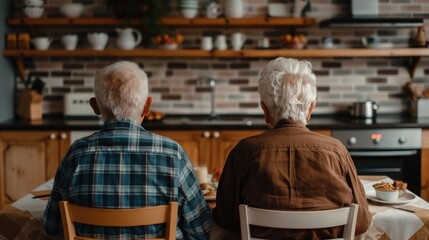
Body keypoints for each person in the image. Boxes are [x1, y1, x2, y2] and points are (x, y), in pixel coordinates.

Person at [43, 61, 212, 239]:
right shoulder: (173, 154)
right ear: (147, 106)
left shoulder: (76, 154)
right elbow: (201, 229)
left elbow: (50, 226)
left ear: (95, 106)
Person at [212, 57, 371, 239]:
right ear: (311, 108)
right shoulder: (337, 151)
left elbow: (225, 219)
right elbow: (361, 222)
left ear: (265, 110)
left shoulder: (244, 151)